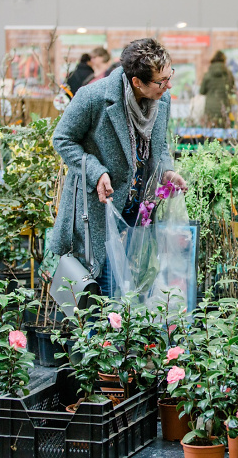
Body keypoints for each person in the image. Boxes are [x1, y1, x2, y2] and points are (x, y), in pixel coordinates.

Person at [49, 38, 186, 298]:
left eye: (170, 76)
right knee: (101, 293)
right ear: (137, 82)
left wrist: (166, 171)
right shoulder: (93, 97)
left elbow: (160, 145)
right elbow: (62, 139)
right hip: (99, 211)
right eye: (161, 81)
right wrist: (95, 171)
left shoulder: (162, 101)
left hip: (138, 213)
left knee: (134, 292)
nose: (168, 85)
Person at [199, 50, 235, 127]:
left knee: (210, 133)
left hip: (210, 108)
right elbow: (232, 90)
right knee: (223, 135)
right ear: (224, 61)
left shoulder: (208, 74)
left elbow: (202, 91)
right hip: (224, 107)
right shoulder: (229, 74)